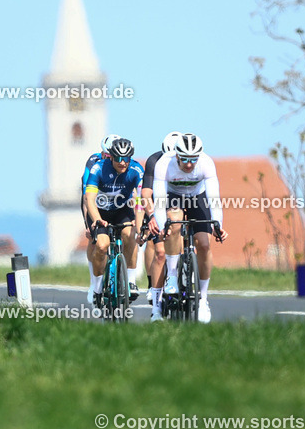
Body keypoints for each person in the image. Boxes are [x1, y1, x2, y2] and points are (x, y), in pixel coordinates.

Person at [151, 133, 228, 323]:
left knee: (204, 245)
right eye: (184, 159)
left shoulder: (206, 163)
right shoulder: (164, 164)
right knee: (174, 223)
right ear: (176, 155)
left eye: (193, 159)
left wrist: (218, 225)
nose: (188, 164)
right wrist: (163, 227)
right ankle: (172, 275)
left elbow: (214, 200)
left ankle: (203, 299)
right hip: (172, 196)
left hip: (197, 196)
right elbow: (159, 202)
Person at [83, 137, 145, 308]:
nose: (122, 163)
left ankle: (131, 281)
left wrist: (139, 227)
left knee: (130, 234)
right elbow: (89, 199)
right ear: (111, 157)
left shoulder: (136, 170)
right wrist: (96, 220)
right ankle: (96, 288)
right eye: (118, 158)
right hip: (100, 211)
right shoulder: (98, 168)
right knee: (102, 246)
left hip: (121, 210)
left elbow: (141, 201)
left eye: (126, 159)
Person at [140, 131, 181, 320]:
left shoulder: (189, 162)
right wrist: (151, 217)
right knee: (159, 251)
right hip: (160, 200)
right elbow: (147, 194)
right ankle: (154, 290)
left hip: (182, 199)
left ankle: (187, 271)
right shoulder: (154, 161)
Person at [80, 134, 120, 268]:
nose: (112, 161)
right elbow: (87, 197)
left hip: (116, 201)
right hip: (95, 199)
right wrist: (88, 224)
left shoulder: (123, 164)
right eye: (108, 157)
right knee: (93, 238)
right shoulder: (94, 162)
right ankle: (94, 281)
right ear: (103, 154)